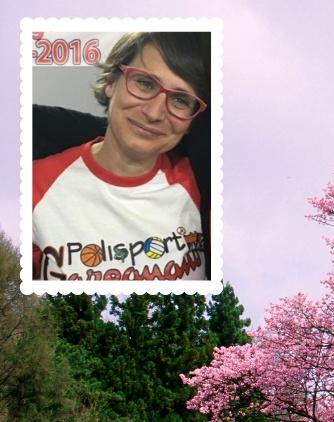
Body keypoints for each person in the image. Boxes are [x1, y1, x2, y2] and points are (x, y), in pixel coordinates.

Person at [32, 32, 210, 281]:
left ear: (193, 121)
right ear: (111, 82)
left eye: (180, 99)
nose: (154, 113)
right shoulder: (32, 185)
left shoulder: (206, 187)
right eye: (145, 83)